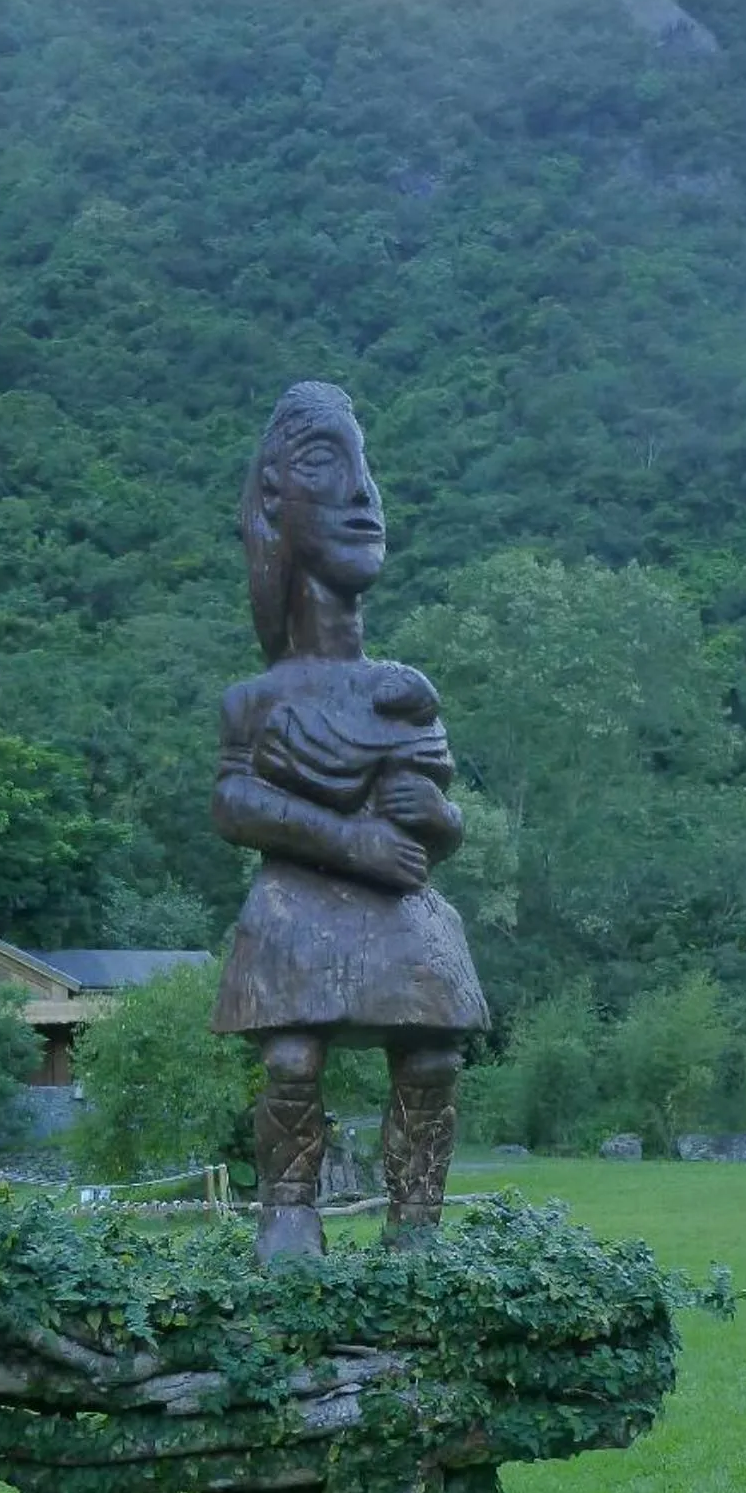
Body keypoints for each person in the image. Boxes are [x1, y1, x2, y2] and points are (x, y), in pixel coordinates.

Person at [211, 381, 488, 1261]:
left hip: (400, 914)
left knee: (434, 1056)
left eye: (365, 467)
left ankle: (416, 1226)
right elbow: (232, 801)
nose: (365, 494)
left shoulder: (402, 690)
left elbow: (440, 820)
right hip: (298, 907)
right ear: (273, 499)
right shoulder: (256, 699)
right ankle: (288, 1213)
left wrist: (433, 815)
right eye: (329, 464)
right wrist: (350, 840)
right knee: (292, 1055)